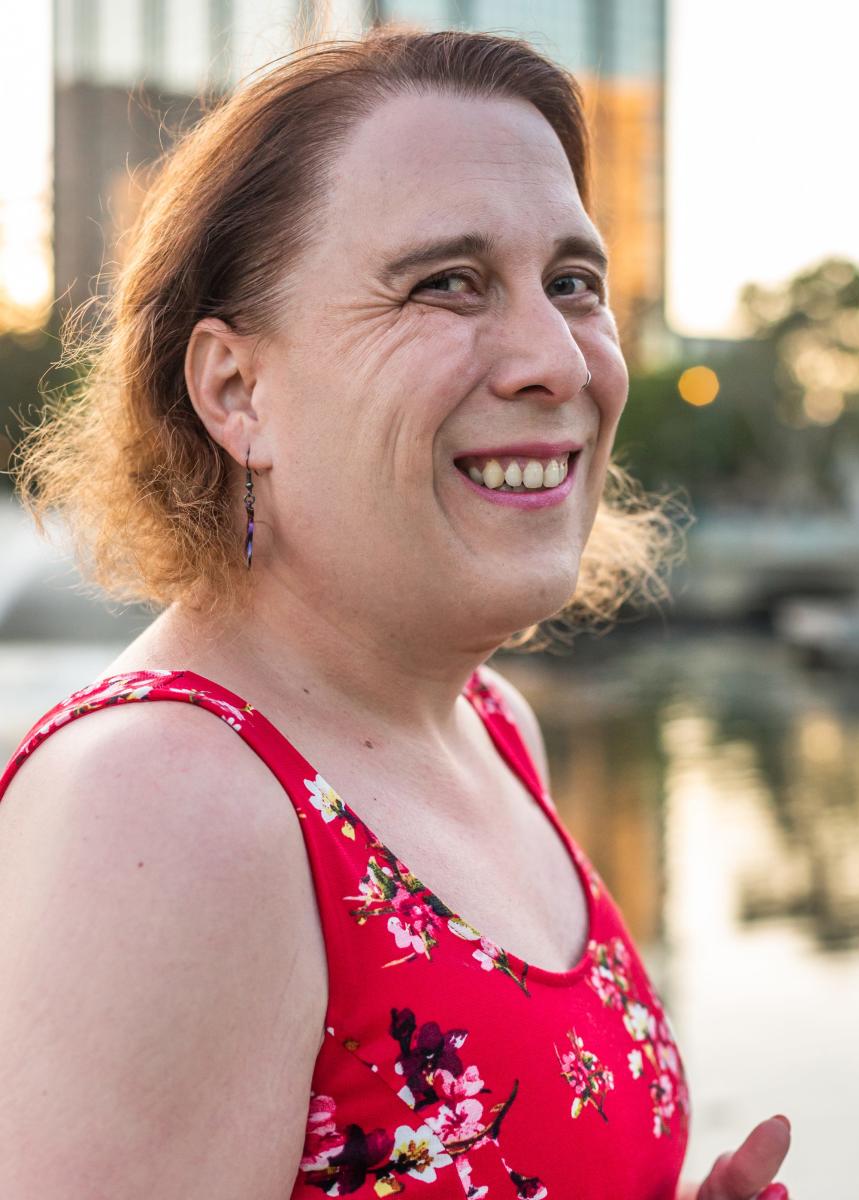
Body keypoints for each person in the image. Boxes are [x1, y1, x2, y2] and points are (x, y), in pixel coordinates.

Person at [0, 28, 792, 1200]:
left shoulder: (490, 724)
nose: (555, 360)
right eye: (445, 284)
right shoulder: (170, 808)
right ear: (235, 390)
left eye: (573, 284)